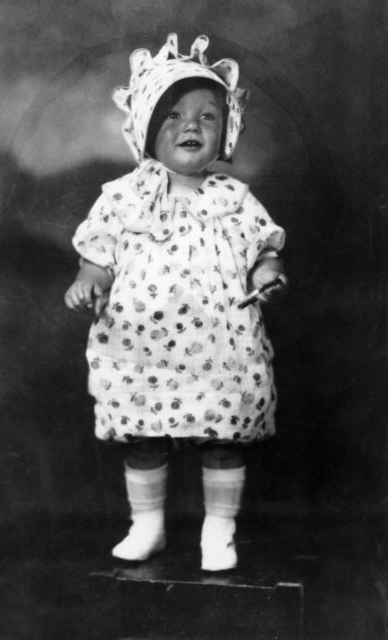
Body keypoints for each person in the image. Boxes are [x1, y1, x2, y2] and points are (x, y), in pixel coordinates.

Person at [64, 33, 288, 572]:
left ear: (226, 133)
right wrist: (89, 280)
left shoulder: (234, 199)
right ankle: (147, 526)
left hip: (220, 347)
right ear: (144, 127)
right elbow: (97, 256)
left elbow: (265, 252)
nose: (191, 126)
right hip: (141, 348)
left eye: (208, 117)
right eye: (173, 116)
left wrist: (269, 272)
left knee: (223, 440)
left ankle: (219, 531)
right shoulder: (121, 198)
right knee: (143, 438)